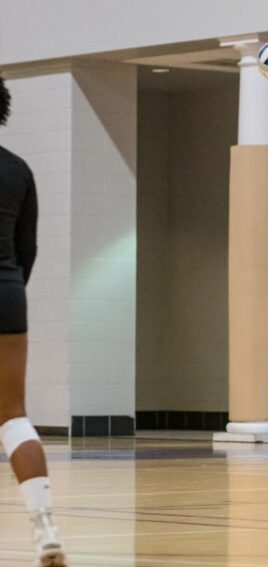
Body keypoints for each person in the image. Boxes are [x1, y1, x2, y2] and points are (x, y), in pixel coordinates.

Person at [0, 76, 67, 566]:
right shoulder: (18, 170)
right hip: (7, 297)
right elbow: (28, 250)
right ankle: (45, 528)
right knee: (13, 416)